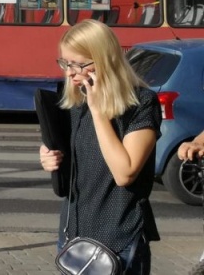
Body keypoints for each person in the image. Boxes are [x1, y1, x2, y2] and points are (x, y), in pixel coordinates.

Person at [38, 19, 160, 275]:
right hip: (74, 233)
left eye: (77, 64)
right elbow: (76, 153)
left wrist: (97, 111)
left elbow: (124, 172)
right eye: (65, 63)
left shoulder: (141, 103)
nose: (69, 72)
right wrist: (48, 154)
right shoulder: (76, 101)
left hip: (119, 237)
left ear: (104, 61)